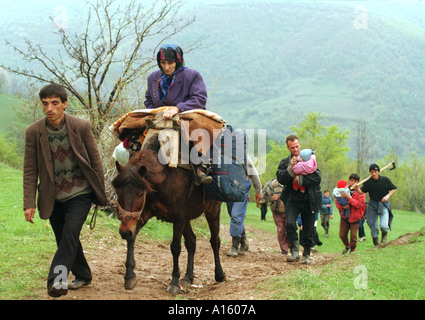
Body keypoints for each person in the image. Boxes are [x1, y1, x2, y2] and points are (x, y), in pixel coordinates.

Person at [23, 84, 108, 298]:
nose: (49, 108)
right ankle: (84, 274)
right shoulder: (34, 132)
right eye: (45, 104)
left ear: (64, 104)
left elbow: (95, 160)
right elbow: (30, 170)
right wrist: (29, 203)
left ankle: (57, 281)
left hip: (81, 192)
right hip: (52, 197)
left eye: (54, 103)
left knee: (70, 234)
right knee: (65, 239)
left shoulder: (81, 126)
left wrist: (99, 192)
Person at [143, 43, 211, 184]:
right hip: (160, 117)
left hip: (186, 115)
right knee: (131, 128)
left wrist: (177, 109)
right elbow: (149, 99)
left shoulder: (191, 75)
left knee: (199, 132)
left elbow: (199, 98)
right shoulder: (153, 78)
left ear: (178, 61)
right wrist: (156, 111)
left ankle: (201, 166)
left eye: (170, 63)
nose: (166, 67)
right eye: (163, 63)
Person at [276, 135, 322, 264]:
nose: (295, 149)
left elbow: (317, 178)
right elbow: (280, 178)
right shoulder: (285, 162)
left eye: (297, 146)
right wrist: (290, 169)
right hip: (292, 199)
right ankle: (294, 250)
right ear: (288, 148)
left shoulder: (310, 159)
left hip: (309, 200)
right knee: (290, 224)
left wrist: (300, 180)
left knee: (308, 228)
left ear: (300, 144)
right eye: (292, 147)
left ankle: (306, 253)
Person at [353, 163, 397, 246]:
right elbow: (361, 191)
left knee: (383, 226)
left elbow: (394, 188)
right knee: (372, 225)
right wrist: (356, 188)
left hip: (383, 204)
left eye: (375, 172)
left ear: (378, 171)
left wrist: (387, 196)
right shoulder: (368, 182)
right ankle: (376, 245)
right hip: (372, 204)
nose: (373, 174)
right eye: (372, 172)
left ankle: (384, 239)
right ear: (370, 172)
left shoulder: (385, 180)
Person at [227, 157, 262, 257]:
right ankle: (244, 241)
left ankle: (234, 246)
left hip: (242, 188)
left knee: (236, 215)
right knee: (233, 215)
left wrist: (258, 190)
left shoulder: (244, 158)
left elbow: (254, 174)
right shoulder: (223, 157)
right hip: (229, 189)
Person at [336, 174, 366, 254]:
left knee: (353, 236)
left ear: (358, 182)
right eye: (351, 180)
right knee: (342, 234)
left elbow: (359, 204)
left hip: (355, 217)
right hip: (344, 216)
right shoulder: (343, 189)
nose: (353, 182)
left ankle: (353, 249)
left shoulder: (361, 192)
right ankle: (347, 245)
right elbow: (337, 201)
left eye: (355, 181)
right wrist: (343, 207)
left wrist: (349, 199)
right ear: (349, 180)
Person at [262, 178, 288, 254]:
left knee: (290, 227)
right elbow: (264, 196)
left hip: (289, 211)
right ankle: (284, 249)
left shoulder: (289, 182)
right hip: (277, 211)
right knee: (281, 230)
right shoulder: (270, 185)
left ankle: (292, 246)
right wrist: (271, 198)